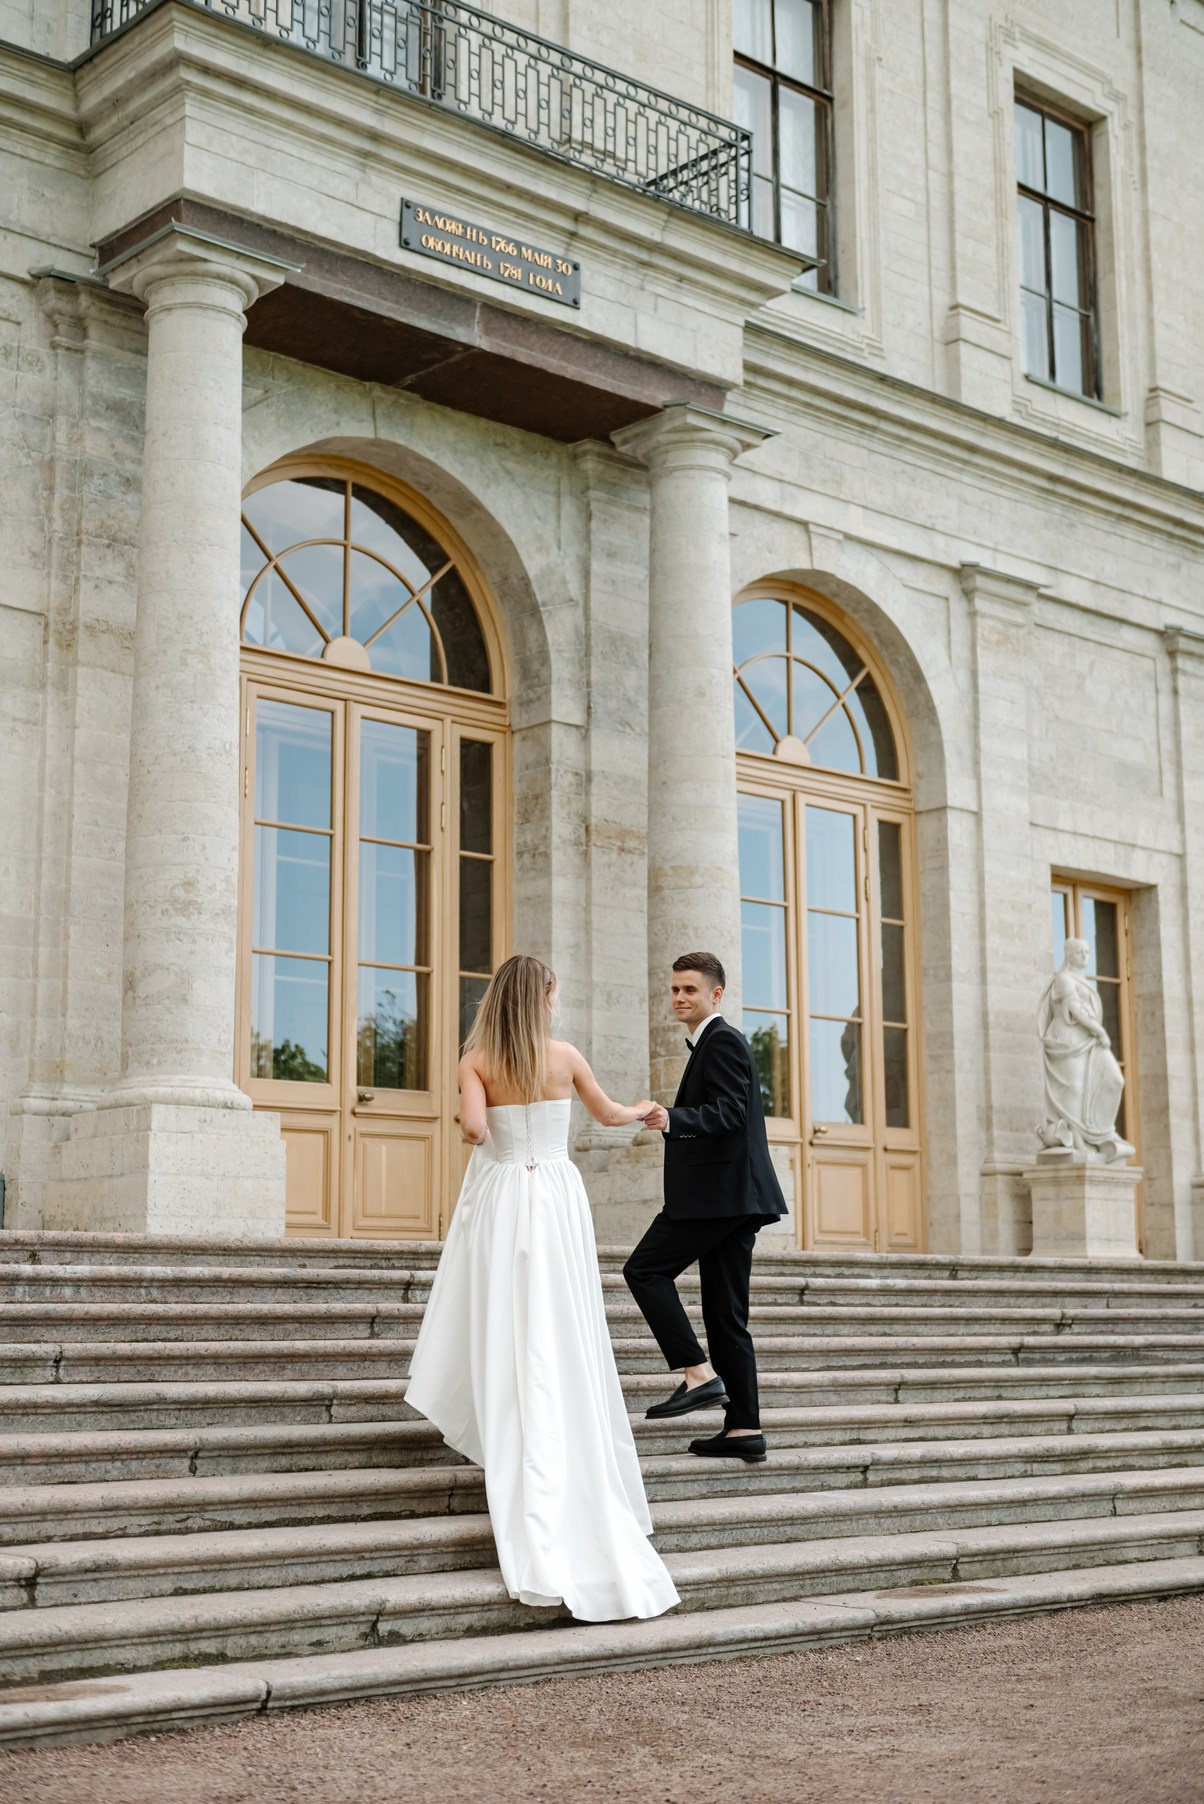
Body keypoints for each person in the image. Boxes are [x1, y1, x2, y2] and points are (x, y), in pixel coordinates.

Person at [405, 954, 680, 1623]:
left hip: (505, 1195)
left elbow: (475, 1130)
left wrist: (476, 1121)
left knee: (508, 1316)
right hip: (556, 1196)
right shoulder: (565, 1056)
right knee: (559, 1315)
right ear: (544, 997)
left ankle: (513, 1419)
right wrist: (646, 1109)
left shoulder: (477, 1061)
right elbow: (610, 1114)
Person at [624, 952, 786, 1464]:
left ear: (716, 994)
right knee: (725, 1316)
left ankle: (698, 1374)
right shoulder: (713, 1043)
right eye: (675, 989)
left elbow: (730, 1111)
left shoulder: (722, 1041)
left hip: (716, 1199)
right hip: (733, 1199)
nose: (679, 997)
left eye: (689, 990)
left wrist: (673, 1118)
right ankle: (744, 1428)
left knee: (644, 1270)